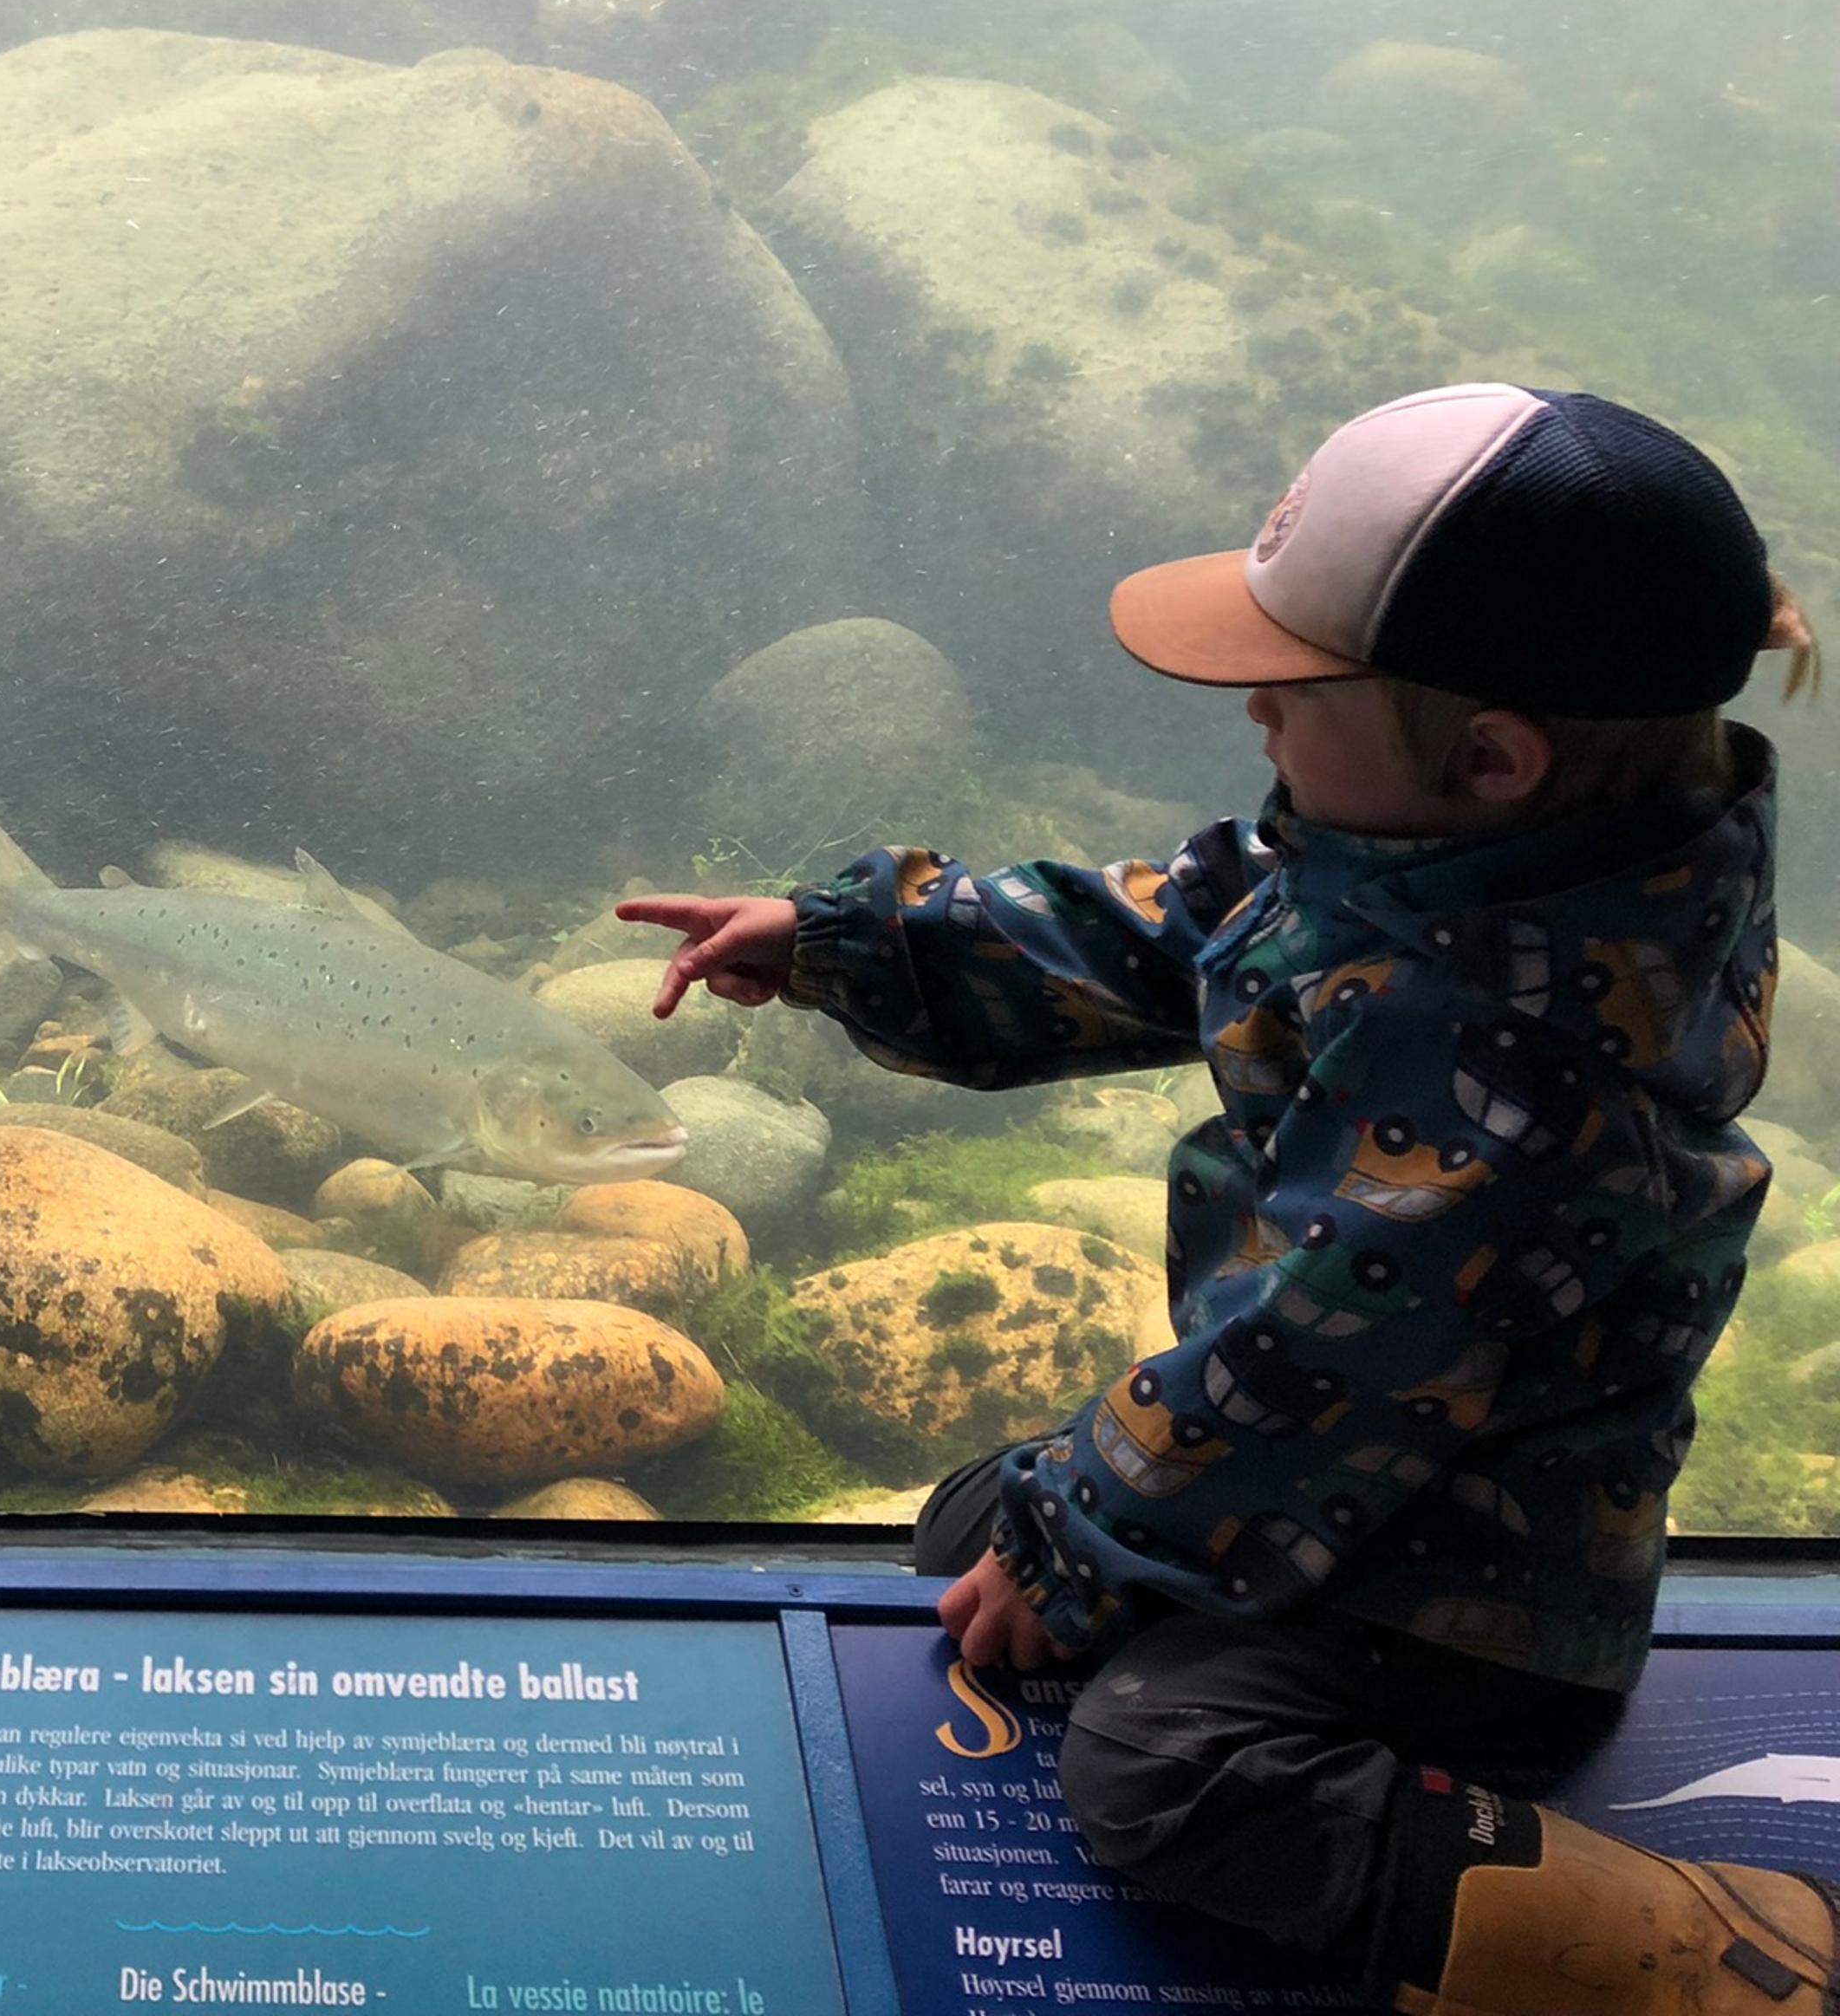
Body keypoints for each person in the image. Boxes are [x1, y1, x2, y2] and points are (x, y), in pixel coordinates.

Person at [626, 383, 1830, 2016]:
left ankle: (1700, 1951)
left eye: (1292, 683)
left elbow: (1314, 1367)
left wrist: (1090, 1536)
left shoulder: (1509, 1058)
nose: (1255, 711)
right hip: (1367, 1445)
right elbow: (1178, 924)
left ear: (1489, 755)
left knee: (1163, 1769)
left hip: (1467, 1585)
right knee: (982, 1523)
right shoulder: (1491, 860)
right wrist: (861, 943)